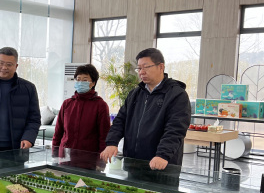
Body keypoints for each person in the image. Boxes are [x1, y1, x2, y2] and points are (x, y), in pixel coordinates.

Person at [100, 48, 191, 185]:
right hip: (134, 164)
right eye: (139, 68)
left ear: (161, 67)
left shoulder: (176, 94)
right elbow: (120, 120)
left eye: (146, 67)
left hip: (161, 166)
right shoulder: (135, 94)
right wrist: (112, 143)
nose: (141, 72)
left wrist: (162, 155)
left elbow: (175, 129)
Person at [0, 47, 41, 154]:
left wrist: (28, 138)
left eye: (9, 64)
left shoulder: (28, 88)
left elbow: (34, 119)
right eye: (1, 63)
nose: (4, 67)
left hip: (18, 147)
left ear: (16, 66)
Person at [52, 64, 111, 169]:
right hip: (65, 156)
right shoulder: (67, 104)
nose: (80, 82)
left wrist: (101, 162)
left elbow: (104, 136)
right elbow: (58, 132)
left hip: (88, 159)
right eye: (78, 79)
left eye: (85, 80)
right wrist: (55, 154)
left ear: (93, 83)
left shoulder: (100, 105)